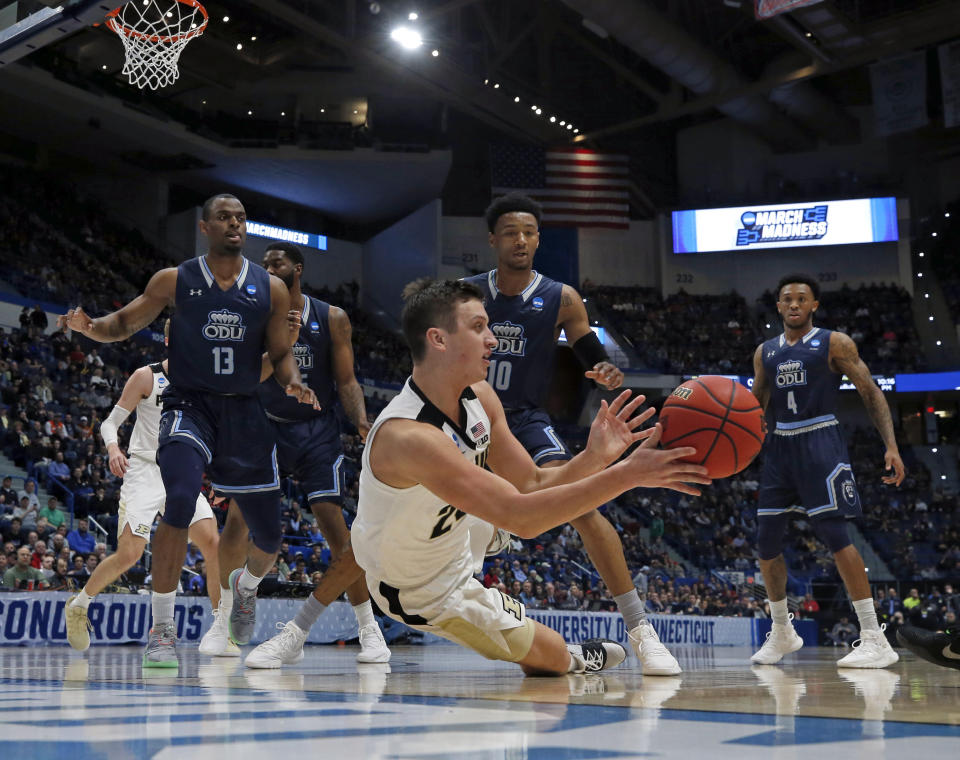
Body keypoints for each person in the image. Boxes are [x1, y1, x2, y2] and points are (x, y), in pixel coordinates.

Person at [350, 278, 710, 676]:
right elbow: (524, 519)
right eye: (478, 328)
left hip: (455, 526)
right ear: (438, 339)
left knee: (506, 502)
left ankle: (491, 541)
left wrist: (595, 458)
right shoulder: (410, 436)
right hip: (421, 587)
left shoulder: (480, 396)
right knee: (551, 659)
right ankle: (573, 656)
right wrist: (628, 475)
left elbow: (532, 485)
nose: (493, 340)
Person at [59, 193, 316, 667]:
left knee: (270, 535)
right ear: (205, 227)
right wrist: (89, 326)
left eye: (240, 218)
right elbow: (122, 323)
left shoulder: (271, 290)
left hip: (242, 411)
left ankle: (244, 589)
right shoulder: (174, 280)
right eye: (224, 217)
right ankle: (162, 631)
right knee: (177, 500)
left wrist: (295, 382)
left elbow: (279, 357)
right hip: (189, 406)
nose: (234, 224)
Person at [461, 193, 680, 676]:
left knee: (582, 504)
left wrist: (603, 370)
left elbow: (589, 352)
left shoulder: (560, 296)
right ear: (493, 239)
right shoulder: (463, 292)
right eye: (511, 232)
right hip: (465, 415)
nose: (521, 240)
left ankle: (641, 632)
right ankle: (354, 625)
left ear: (539, 239)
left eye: (530, 232)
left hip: (522, 419)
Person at [237, 242, 389, 666]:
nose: (268, 267)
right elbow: (247, 377)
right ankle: (229, 609)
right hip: (266, 424)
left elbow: (346, 380)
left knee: (334, 527)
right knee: (237, 521)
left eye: (276, 261)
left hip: (317, 431)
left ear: (297, 268)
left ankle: (368, 629)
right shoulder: (255, 314)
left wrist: (360, 421)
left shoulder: (332, 317)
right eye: (263, 263)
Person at [750, 273, 905, 669]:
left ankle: (874, 637)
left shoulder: (834, 343)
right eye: (788, 299)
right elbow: (756, 405)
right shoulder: (765, 351)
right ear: (779, 306)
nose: (795, 304)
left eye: (802, 298)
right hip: (779, 448)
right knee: (766, 546)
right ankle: (783, 630)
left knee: (837, 536)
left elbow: (870, 391)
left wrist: (891, 445)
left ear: (814, 305)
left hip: (820, 440)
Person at [64, 332, 228, 655]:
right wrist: (113, 449)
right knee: (130, 555)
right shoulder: (146, 376)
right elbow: (110, 423)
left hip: (179, 468)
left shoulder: (201, 380)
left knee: (213, 543)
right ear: (170, 338)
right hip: (143, 470)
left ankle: (222, 627)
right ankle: (79, 605)